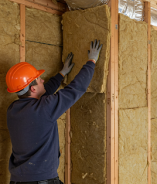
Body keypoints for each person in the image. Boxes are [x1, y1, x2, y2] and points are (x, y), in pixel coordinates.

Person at [6, 40, 102, 184]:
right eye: (39, 80)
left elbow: (43, 95)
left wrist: (62, 74)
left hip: (19, 180)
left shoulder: (13, 110)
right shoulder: (44, 108)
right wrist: (91, 61)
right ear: (32, 89)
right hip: (41, 181)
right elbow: (75, 89)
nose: (43, 81)